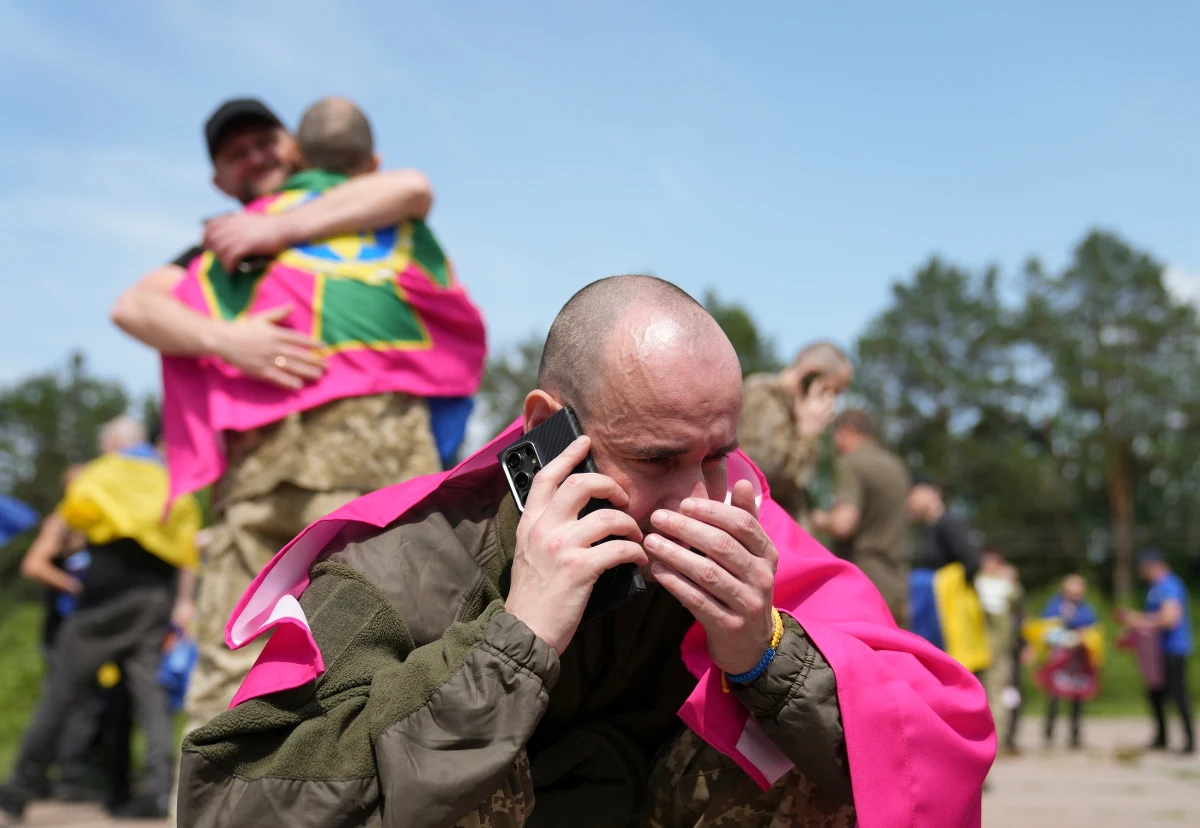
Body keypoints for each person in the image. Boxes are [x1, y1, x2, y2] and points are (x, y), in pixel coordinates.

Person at [177, 276, 993, 828]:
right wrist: (512, 641)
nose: (699, 499)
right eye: (655, 459)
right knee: (454, 771)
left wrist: (763, 654)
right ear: (546, 430)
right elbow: (231, 810)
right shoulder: (402, 562)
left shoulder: (748, 527)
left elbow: (922, 748)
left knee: (808, 750)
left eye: (718, 454)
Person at [112, 96, 486, 746]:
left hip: (363, 473)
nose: (255, 157)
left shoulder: (346, 211)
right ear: (218, 181)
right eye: (237, 154)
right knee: (257, 664)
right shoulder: (219, 248)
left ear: (296, 148)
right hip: (282, 479)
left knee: (377, 655)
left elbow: (409, 186)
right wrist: (228, 340)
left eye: (265, 143)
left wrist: (273, 232)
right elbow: (133, 305)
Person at [0, 417, 202, 821]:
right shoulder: (172, 483)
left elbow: (71, 519)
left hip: (103, 601)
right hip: (154, 599)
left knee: (60, 692)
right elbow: (186, 552)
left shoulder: (100, 474)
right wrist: (183, 602)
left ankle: (19, 789)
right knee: (150, 698)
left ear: (112, 444)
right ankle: (160, 791)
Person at [17, 465, 134, 809]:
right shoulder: (61, 520)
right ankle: (59, 777)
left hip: (93, 625)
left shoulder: (96, 517)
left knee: (91, 702)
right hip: (65, 626)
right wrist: (77, 586)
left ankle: (66, 773)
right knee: (71, 700)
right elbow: (33, 565)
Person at [810, 409, 910, 625]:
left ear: (847, 432)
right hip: (897, 584)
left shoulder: (852, 462)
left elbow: (843, 524)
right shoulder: (896, 465)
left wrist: (815, 519)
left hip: (864, 586)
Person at [738, 342, 853, 529]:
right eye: (831, 392)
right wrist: (806, 434)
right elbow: (764, 474)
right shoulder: (763, 397)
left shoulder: (793, 408)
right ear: (810, 377)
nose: (831, 404)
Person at [905, 477, 990, 675]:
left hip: (950, 613)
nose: (910, 502)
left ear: (933, 492)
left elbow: (971, 562)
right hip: (931, 610)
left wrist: (942, 582)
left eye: (914, 494)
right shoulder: (926, 529)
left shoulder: (948, 524)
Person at [1122, 549, 1194, 755]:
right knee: (1155, 694)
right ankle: (1161, 738)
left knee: (1178, 695)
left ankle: (1189, 742)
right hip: (1156, 650)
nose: (1140, 571)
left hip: (1173, 648)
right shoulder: (1154, 588)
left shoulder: (1169, 585)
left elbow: (1170, 619)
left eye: (1142, 567)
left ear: (1153, 565)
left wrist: (1139, 620)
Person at [1027, 575, 1102, 750]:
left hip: (1077, 660)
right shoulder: (1055, 606)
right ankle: (1048, 734)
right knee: (1054, 696)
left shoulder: (1086, 609)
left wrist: (1083, 636)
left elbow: (1094, 630)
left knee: (1078, 696)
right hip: (1058, 658)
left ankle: (1075, 736)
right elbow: (1044, 628)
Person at [975, 548, 1024, 755]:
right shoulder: (1002, 584)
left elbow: (1019, 611)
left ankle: (997, 741)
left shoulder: (980, 582)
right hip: (983, 650)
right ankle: (994, 742)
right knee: (991, 696)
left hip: (995, 652)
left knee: (996, 696)